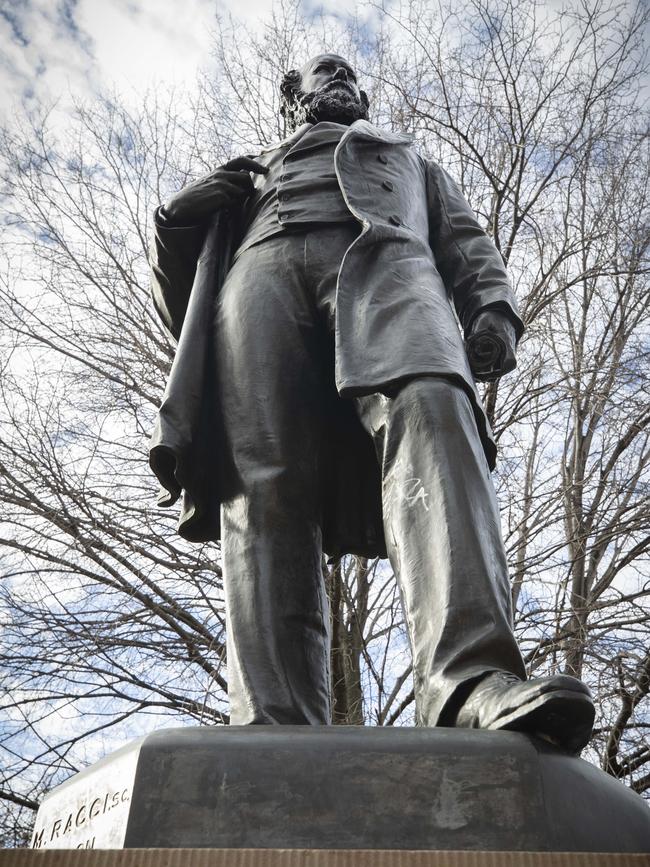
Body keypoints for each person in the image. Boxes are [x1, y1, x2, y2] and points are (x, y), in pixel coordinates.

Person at [149, 53, 594, 752]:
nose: (345, 84)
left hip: (390, 271)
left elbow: (466, 238)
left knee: (435, 412)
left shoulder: (409, 158)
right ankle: (273, 718)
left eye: (352, 78)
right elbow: (184, 312)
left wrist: (493, 308)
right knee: (258, 480)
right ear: (294, 96)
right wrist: (174, 225)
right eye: (329, 73)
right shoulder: (242, 180)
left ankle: (470, 680)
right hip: (256, 283)